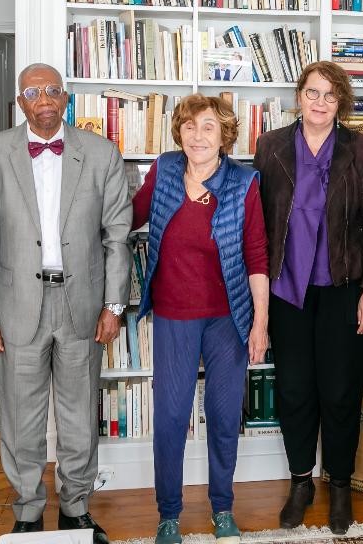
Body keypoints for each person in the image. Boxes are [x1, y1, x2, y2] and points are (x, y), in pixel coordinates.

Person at [0, 63, 130, 543]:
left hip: (82, 303)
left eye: (53, 90)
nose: (44, 98)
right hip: (16, 303)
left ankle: (76, 508)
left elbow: (118, 237)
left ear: (66, 98)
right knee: (21, 417)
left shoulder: (102, 153)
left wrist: (114, 305)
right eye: (33, 91)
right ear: (20, 101)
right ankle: (26, 510)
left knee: (79, 414)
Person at [131, 94, 270, 544]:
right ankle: (169, 513)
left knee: (225, 414)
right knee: (170, 415)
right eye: (189, 126)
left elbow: (257, 257)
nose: (197, 136)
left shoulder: (244, 183)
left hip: (228, 318)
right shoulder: (165, 170)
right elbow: (126, 217)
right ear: (179, 133)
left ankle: (222, 507)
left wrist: (260, 324)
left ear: (225, 134)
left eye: (208, 127)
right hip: (174, 315)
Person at [253, 61, 363, 534]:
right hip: (287, 290)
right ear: (299, 96)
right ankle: (301, 481)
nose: (320, 102)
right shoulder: (270, 146)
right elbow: (260, 222)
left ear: (340, 101)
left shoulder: (362, 149)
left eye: (329, 94)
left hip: (343, 289)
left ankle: (341, 484)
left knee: (341, 391)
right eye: (312, 92)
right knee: (293, 390)